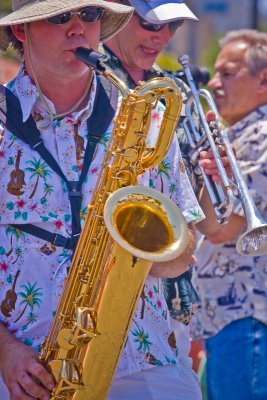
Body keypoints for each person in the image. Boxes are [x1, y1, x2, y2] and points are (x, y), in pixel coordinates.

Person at [0, 1, 213, 399]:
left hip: (144, 358)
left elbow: (183, 249)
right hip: (28, 370)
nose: (79, 29)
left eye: (91, 16)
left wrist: (147, 254)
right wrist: (5, 352)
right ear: (20, 31)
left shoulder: (144, 119)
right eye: (60, 17)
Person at [101, 0, 216, 368]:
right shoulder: (88, 79)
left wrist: (211, 177)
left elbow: (202, 220)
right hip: (102, 290)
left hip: (170, 294)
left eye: (173, 27)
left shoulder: (172, 91)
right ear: (115, 16)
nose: (163, 38)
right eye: (152, 25)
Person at [191, 29, 267, 400]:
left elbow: (223, 229)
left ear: (264, 79)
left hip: (247, 315)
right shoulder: (238, 134)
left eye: (228, 72)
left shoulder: (262, 135)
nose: (215, 83)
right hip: (226, 315)